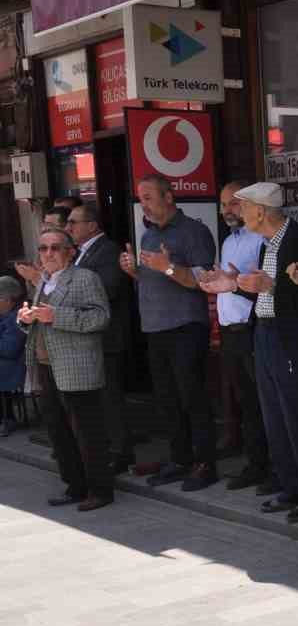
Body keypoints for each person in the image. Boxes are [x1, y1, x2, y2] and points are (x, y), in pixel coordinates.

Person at [228, 182, 298, 522]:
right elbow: (266, 294)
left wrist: (269, 286)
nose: (239, 214)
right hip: (266, 333)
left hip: (291, 338)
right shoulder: (267, 244)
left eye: (243, 207)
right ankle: (290, 487)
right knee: (274, 415)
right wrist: (234, 285)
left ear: (260, 210)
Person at [118, 175, 219, 492]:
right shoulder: (148, 235)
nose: (143, 204)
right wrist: (135, 272)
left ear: (169, 197)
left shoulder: (194, 232)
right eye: (140, 198)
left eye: (148, 197)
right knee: (167, 399)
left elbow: (204, 281)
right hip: (155, 326)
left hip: (185, 325)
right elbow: (154, 279)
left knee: (192, 396)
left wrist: (168, 267)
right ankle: (180, 459)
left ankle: (205, 463)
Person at [20, 228, 113, 512]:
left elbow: (100, 317)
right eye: (43, 248)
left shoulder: (85, 278)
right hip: (47, 367)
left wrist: (56, 316)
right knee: (59, 433)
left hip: (77, 367)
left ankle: (100, 490)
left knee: (88, 433)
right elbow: (40, 322)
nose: (48, 254)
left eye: (55, 248)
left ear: (70, 252)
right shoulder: (44, 281)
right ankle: (75, 486)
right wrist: (26, 319)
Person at [210, 183, 271, 491]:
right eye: (223, 205)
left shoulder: (260, 239)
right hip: (230, 332)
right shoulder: (229, 241)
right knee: (245, 402)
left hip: (252, 329)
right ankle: (255, 463)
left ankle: (271, 467)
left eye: (233, 204)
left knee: (263, 403)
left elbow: (264, 292)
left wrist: (234, 285)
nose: (227, 211)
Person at [66, 202, 133, 472]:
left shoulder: (107, 251)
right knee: (96, 399)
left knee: (110, 398)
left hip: (107, 337)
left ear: (92, 225)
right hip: (86, 338)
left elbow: (107, 290)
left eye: (73, 222)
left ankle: (121, 452)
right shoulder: (79, 253)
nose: (68, 227)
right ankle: (103, 448)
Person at [0, 277, 23, 435]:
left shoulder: (16, 319)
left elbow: (10, 349)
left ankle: (6, 419)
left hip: (13, 365)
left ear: (8, 300)